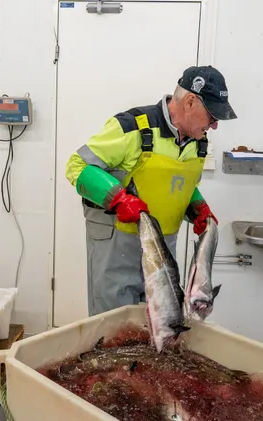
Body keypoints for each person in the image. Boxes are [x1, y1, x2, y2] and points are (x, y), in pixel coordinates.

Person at [65, 65, 237, 316]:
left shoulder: (198, 144)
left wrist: (196, 207)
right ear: (190, 101)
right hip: (118, 250)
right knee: (114, 326)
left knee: (159, 328)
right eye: (212, 117)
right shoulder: (131, 128)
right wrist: (118, 199)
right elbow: (76, 166)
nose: (214, 126)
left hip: (163, 253)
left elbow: (181, 185)